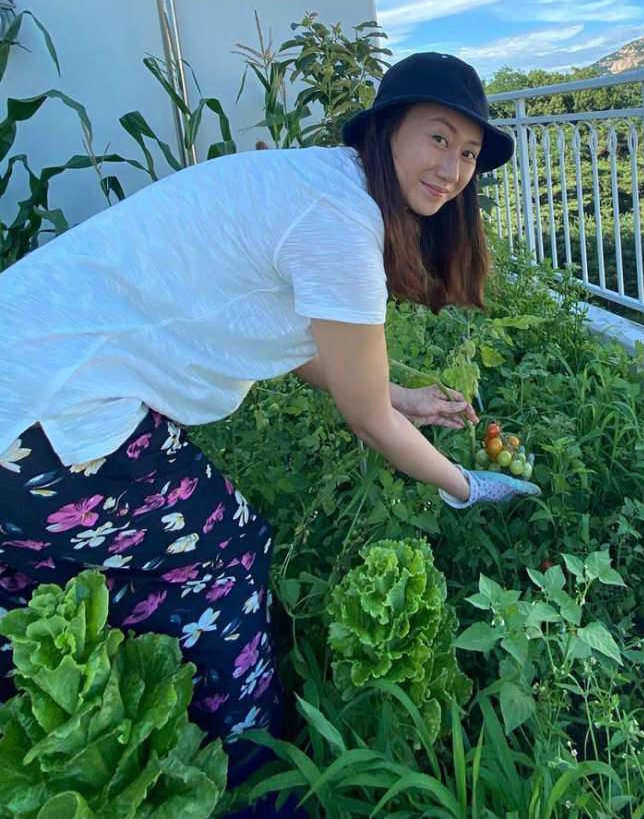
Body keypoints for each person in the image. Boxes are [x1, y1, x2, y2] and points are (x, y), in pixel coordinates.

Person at [0, 51, 539, 807]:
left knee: (34, 584)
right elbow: (364, 417)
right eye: (438, 137)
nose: (453, 167)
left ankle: (58, 731)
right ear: (387, 131)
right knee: (224, 548)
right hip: (48, 411)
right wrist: (465, 485)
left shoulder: (319, 185)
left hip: (26, 383)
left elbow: (309, 351)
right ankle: (261, 784)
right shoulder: (340, 220)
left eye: (470, 153)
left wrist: (405, 396)